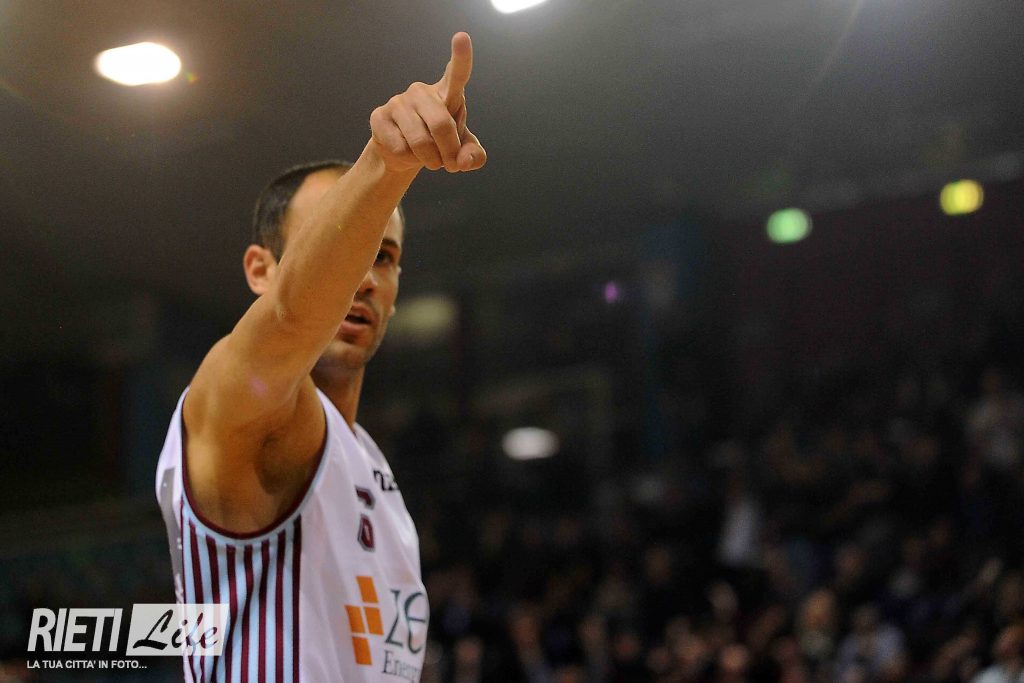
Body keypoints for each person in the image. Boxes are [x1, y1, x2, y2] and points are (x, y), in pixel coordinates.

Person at [154, 32, 486, 682]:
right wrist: (386, 167)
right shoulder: (233, 403)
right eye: (340, 246)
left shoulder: (377, 477)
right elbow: (290, 317)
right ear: (261, 269)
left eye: (382, 255)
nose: (362, 276)